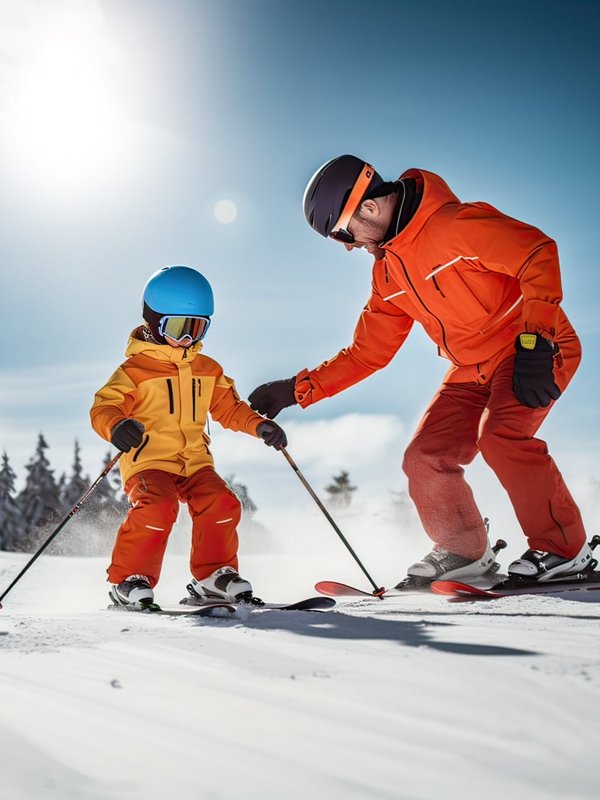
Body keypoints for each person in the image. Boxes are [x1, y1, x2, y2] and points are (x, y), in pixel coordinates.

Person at [249, 155, 593, 587]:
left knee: (502, 437)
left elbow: (536, 252)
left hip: (528, 348)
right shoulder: (387, 273)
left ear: (370, 208)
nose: (348, 246)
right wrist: (297, 389)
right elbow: (368, 352)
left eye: (343, 233)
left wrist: (536, 341)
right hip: (470, 367)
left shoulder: (454, 225)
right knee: (425, 457)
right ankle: (465, 550)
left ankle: (566, 551)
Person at [91, 265, 286, 609]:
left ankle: (213, 577)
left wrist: (259, 425)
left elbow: (229, 408)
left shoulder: (207, 369)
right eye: (178, 328)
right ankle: (129, 580)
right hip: (149, 462)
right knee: (158, 507)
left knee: (223, 502)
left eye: (197, 329)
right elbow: (104, 406)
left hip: (195, 461)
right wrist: (116, 426)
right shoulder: (134, 371)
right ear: (154, 323)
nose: (187, 340)